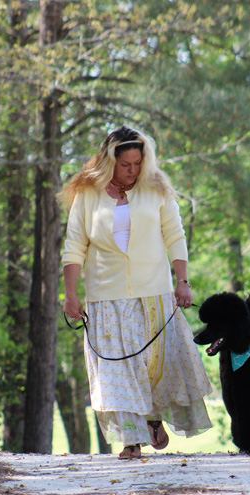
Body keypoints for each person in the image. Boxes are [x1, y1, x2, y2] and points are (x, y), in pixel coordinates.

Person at [60, 126, 212, 459]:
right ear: (109, 162)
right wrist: (70, 295)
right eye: (126, 164)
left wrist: (183, 281)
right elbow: (74, 245)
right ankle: (132, 439)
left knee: (154, 365)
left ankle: (153, 417)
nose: (133, 170)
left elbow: (175, 234)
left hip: (153, 292)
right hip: (105, 296)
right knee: (117, 371)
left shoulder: (156, 188)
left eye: (138, 163)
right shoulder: (87, 193)